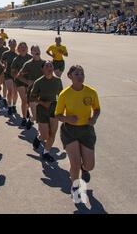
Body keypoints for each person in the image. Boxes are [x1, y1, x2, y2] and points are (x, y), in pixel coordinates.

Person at [55, 65, 101, 194]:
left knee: (90, 165)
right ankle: (75, 188)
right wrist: (67, 119)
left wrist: (94, 118)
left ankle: (84, 168)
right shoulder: (65, 94)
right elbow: (57, 115)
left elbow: (97, 109)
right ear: (70, 76)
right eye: (77, 74)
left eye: (82, 74)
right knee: (74, 163)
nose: (80, 76)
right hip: (70, 131)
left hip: (86, 131)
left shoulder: (91, 92)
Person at [30, 61, 63, 162]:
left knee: (52, 134)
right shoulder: (39, 82)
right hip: (42, 109)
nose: (50, 67)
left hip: (54, 108)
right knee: (45, 135)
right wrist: (42, 102)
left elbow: (61, 95)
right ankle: (39, 138)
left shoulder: (58, 81)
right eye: (47, 66)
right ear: (43, 69)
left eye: (51, 65)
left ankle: (46, 153)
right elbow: (32, 97)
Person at [16, 46, 45, 130]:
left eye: (38, 50)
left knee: (42, 116)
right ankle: (32, 119)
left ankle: (40, 135)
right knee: (36, 116)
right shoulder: (28, 64)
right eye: (35, 50)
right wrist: (27, 81)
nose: (37, 52)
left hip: (43, 92)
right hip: (32, 93)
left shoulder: (45, 63)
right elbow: (19, 76)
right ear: (31, 53)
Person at [10, 42, 33, 127]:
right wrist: (22, 78)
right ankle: (24, 118)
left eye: (25, 47)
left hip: (30, 82)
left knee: (29, 101)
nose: (23, 48)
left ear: (27, 48)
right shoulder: (16, 60)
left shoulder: (31, 58)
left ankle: (26, 110)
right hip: (20, 82)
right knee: (24, 100)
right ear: (18, 49)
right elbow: (13, 73)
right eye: (21, 47)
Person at [1, 39, 18, 116]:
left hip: (16, 75)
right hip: (8, 74)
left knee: (15, 91)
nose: (13, 46)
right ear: (9, 45)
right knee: (10, 91)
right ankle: (9, 106)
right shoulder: (5, 53)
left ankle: (14, 105)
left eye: (14, 44)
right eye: (11, 44)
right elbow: (2, 61)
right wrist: (3, 65)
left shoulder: (18, 54)